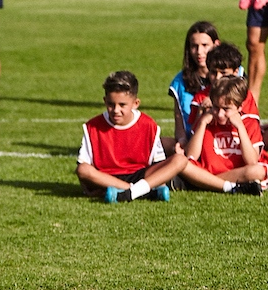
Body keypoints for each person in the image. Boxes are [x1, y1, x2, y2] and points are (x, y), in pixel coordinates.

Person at [76, 70, 188, 203]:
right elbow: (83, 168)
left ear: (136, 103)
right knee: (82, 169)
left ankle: (129, 192)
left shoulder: (148, 125)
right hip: (106, 177)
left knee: (180, 160)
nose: (116, 110)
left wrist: (158, 179)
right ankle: (141, 192)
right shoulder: (92, 127)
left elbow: (158, 163)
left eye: (122, 105)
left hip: (140, 175)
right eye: (111, 104)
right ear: (105, 101)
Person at [179, 75, 268, 195]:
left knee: (257, 171)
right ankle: (229, 186)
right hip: (207, 170)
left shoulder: (249, 121)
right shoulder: (207, 119)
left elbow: (252, 160)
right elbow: (191, 156)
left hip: (236, 172)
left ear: (239, 107)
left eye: (226, 109)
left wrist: (240, 127)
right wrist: (202, 123)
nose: (220, 114)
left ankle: (204, 182)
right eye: (216, 107)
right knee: (181, 162)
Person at [189, 42, 268, 152]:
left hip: (238, 140)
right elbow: (193, 131)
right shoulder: (201, 97)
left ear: (236, 72)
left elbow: (251, 124)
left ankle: (249, 154)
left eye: (223, 72)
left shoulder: (245, 96)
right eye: (213, 73)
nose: (217, 77)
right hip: (211, 143)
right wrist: (202, 112)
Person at [166, 21, 221, 152]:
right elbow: (179, 122)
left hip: (224, 137)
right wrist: (181, 140)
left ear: (216, 44)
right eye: (194, 46)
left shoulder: (233, 72)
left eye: (205, 45)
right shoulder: (180, 81)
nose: (199, 52)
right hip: (194, 139)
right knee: (160, 143)